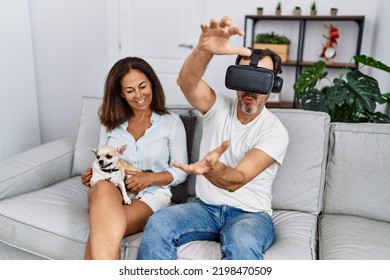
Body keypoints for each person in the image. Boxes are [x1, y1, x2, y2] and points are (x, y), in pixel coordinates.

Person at [137, 16, 289, 260]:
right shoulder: (218, 107)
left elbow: (237, 179)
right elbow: (186, 83)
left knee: (243, 241)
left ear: (274, 85)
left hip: (250, 215)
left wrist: (211, 168)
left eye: (260, 78)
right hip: (203, 209)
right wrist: (203, 50)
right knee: (160, 222)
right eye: (245, 76)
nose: (250, 89)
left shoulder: (275, 131)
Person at [81, 57, 188, 259]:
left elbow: (181, 170)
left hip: (150, 195)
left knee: (102, 230)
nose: (139, 95)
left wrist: (149, 178)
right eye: (130, 91)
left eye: (143, 86)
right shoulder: (110, 122)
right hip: (108, 190)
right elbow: (101, 161)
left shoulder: (171, 122)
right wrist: (91, 174)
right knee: (103, 188)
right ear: (121, 93)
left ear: (152, 85)